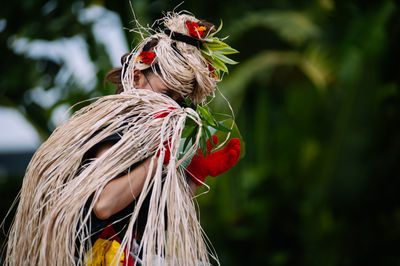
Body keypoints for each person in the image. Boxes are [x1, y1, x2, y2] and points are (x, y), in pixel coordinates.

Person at [5, 11, 241, 265]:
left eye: (178, 100)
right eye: (165, 94)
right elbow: (104, 205)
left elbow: (159, 221)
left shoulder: (153, 135)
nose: (172, 107)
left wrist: (193, 175)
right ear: (137, 78)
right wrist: (159, 160)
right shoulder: (115, 125)